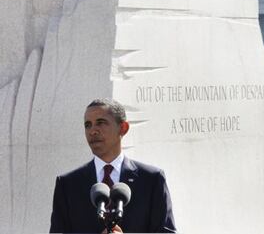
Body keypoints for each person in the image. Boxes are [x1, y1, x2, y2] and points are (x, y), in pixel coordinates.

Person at [49, 98, 176, 233]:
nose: (93, 131)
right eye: (88, 125)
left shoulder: (151, 180)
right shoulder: (68, 184)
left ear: (123, 128)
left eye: (101, 123)